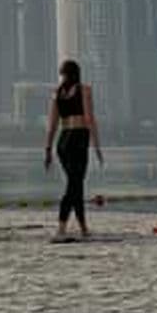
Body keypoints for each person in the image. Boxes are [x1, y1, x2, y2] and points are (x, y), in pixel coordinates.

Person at [44, 59, 103, 240]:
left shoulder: (57, 93)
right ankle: (62, 226)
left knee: (75, 184)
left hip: (63, 141)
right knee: (74, 184)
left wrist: (48, 149)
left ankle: (83, 227)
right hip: (78, 139)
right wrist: (97, 146)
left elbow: (52, 123)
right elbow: (89, 118)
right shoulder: (85, 90)